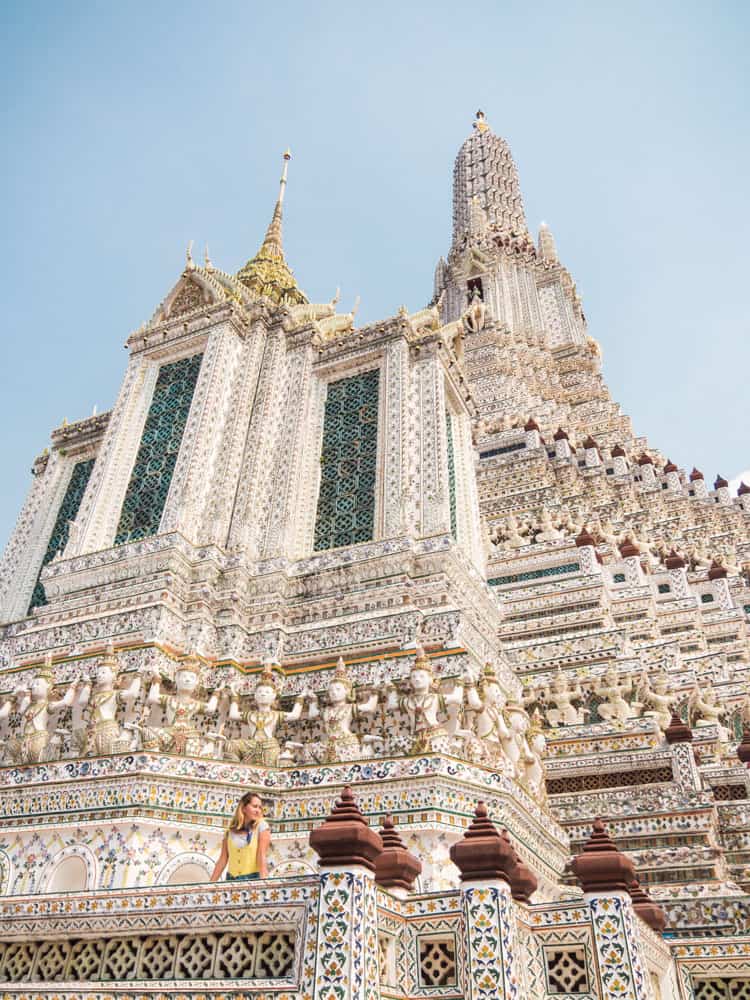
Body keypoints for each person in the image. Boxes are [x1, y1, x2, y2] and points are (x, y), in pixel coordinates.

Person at [211, 792, 270, 881]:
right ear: (243, 808)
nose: (258, 810)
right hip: (230, 881)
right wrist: (211, 883)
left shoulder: (262, 827)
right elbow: (222, 860)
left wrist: (263, 882)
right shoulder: (229, 832)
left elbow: (261, 856)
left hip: (252, 881)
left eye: (260, 807)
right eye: (254, 806)